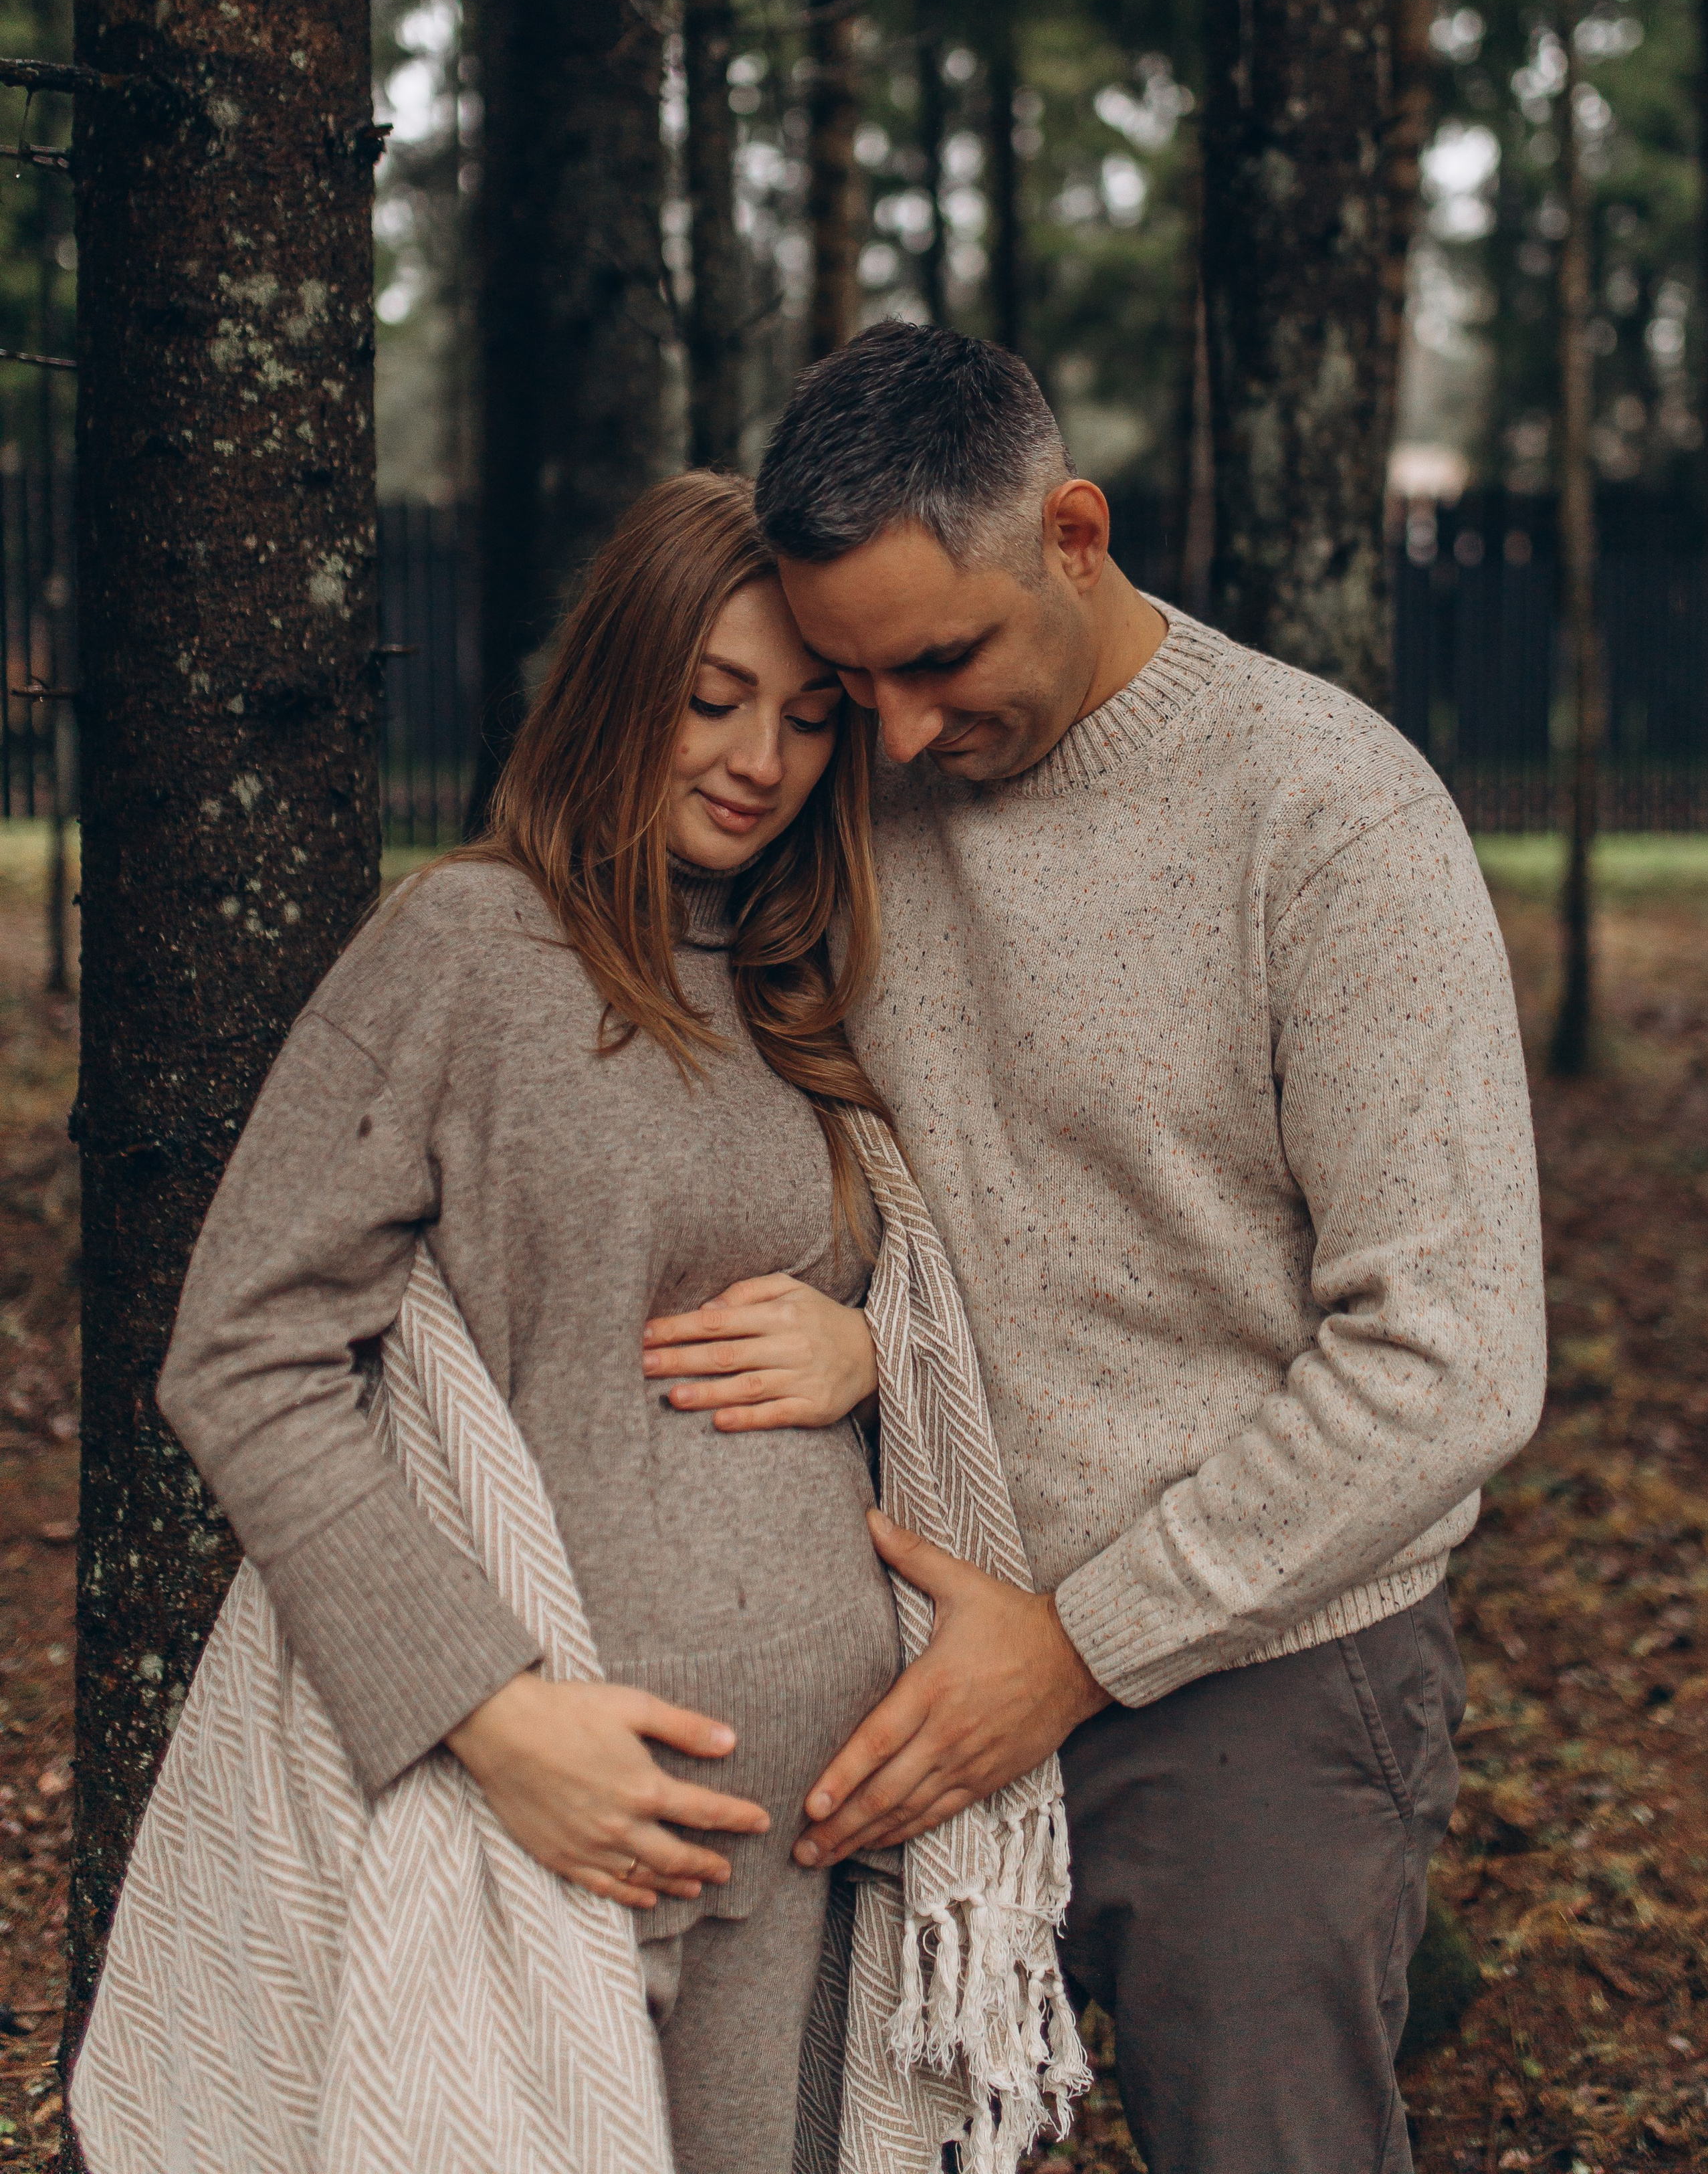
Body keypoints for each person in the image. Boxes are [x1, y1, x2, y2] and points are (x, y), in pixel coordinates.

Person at [652, 323, 1547, 2174]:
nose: (887, 733)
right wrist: (858, 1328)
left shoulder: (1328, 815)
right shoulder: (847, 779)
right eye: (849, 678)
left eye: (936, 661)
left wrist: (1075, 1648)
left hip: (1265, 1664)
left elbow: (1448, 1357)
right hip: (899, 1637)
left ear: (1074, 529)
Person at [142, 472, 912, 2174]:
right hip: (568, 1808)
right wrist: (486, 1712)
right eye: (709, 700)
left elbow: (949, 1295)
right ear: (616, 683)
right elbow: (244, 1351)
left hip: (821, 1841)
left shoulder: (815, 977)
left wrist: (872, 1350)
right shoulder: (467, 949)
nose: (756, 760)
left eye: (802, 718)